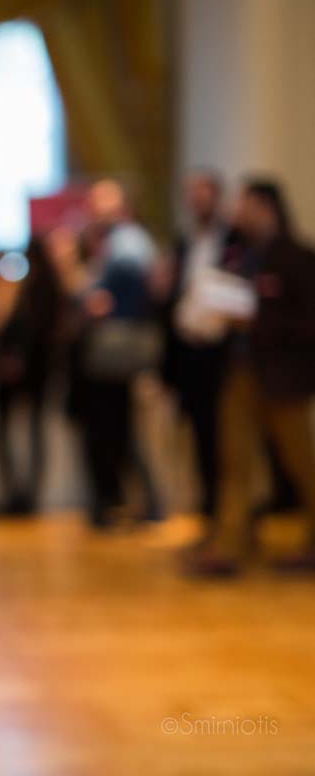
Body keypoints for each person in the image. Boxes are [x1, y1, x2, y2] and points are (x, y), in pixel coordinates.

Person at [186, 180, 315, 577]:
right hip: (242, 371)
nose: (238, 213)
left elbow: (306, 321)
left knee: (301, 463)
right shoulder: (241, 255)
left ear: (266, 207)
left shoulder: (296, 257)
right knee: (235, 462)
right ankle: (229, 545)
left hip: (284, 378)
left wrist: (258, 320)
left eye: (245, 205)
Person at [69, 179, 161, 528]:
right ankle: (123, 501)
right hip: (104, 352)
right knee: (114, 430)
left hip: (114, 350)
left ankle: (137, 502)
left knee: (118, 430)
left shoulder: (128, 243)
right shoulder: (109, 244)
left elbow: (104, 300)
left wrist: (87, 293)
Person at [158, 169, 230, 536]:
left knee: (226, 437)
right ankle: (209, 512)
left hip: (224, 354)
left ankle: (229, 516)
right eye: (192, 194)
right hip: (190, 354)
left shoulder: (233, 240)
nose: (197, 200)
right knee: (199, 436)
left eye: (203, 193)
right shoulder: (185, 242)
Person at [0, 240, 65, 516]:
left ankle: (21, 493)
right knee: (25, 432)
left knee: (18, 432)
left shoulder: (25, 291)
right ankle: (22, 492)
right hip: (32, 370)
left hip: (26, 370)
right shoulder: (21, 289)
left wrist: (14, 358)